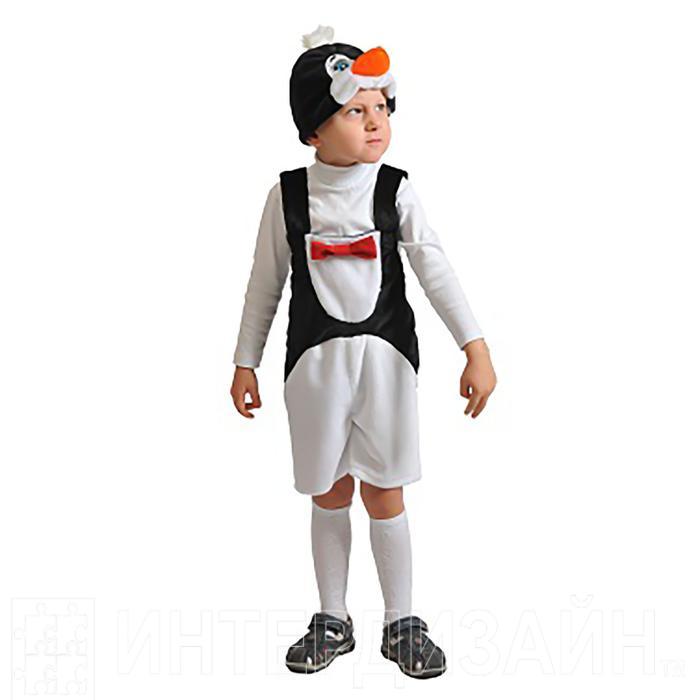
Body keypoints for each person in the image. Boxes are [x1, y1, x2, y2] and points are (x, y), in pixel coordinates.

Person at [230, 24, 497, 678]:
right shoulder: (287, 197)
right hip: (312, 369)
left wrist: (475, 346)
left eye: (381, 106)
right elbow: (264, 283)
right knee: (327, 491)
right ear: (313, 131)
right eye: (356, 110)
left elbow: (435, 269)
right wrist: (245, 361)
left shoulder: (394, 190)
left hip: (386, 365)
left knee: (385, 491)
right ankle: (332, 617)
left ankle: (401, 621)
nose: (376, 121)